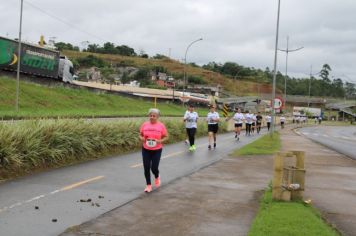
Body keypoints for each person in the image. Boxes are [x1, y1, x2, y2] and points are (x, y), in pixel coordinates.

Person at [139, 108, 169, 193]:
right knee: (146, 167)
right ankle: (148, 185)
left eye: (154, 116)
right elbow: (140, 135)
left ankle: (157, 176)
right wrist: (142, 139)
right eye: (150, 115)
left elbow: (166, 136)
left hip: (157, 150)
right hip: (146, 149)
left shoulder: (161, 126)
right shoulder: (144, 125)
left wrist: (159, 141)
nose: (152, 117)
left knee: (154, 167)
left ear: (157, 117)